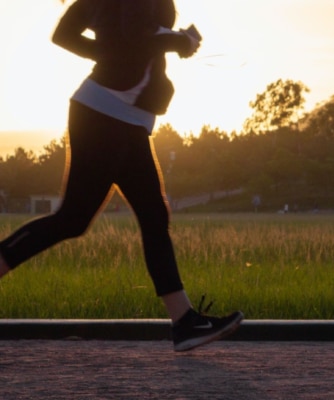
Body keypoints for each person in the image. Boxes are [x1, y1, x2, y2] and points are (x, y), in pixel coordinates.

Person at [0, 0, 243, 352]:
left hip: (129, 119)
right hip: (102, 114)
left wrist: (162, 43)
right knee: (73, 219)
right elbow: (86, 36)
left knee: (153, 215)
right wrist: (164, 43)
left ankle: (185, 322)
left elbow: (134, 40)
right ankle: (184, 322)